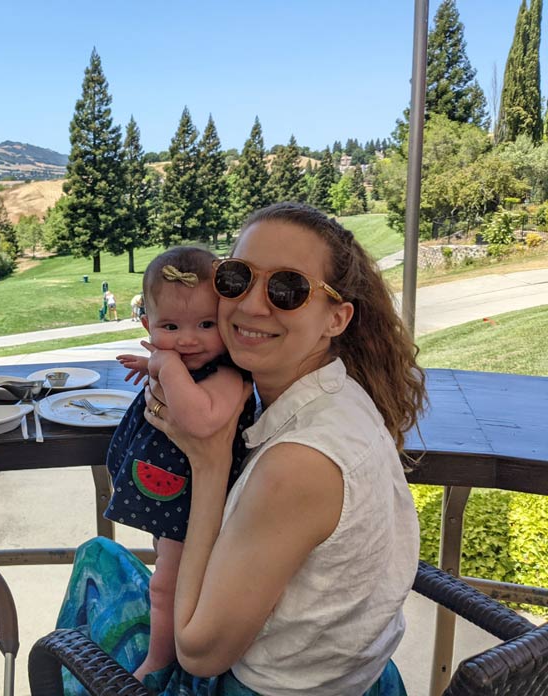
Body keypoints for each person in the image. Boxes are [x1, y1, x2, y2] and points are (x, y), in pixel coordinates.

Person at [57, 202, 426, 696]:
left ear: (336, 319)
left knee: (96, 565)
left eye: (287, 289)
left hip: (256, 684)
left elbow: (199, 652)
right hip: (352, 674)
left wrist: (208, 461)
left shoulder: (300, 463)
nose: (251, 305)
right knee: (102, 553)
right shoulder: (340, 395)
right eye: (237, 278)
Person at [105, 247, 256, 682]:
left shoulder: (227, 374)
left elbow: (201, 420)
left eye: (206, 325)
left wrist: (165, 362)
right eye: (171, 327)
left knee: (165, 584)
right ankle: (165, 643)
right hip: (178, 502)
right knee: (166, 566)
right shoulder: (191, 362)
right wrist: (154, 363)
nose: (189, 340)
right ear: (148, 325)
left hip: (199, 509)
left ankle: (160, 663)